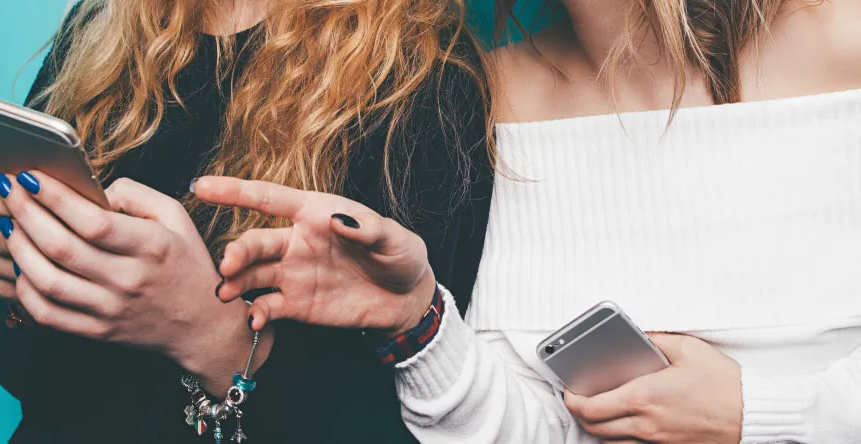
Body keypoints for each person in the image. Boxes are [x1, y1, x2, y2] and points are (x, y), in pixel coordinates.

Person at [194, 0, 861, 442]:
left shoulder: (845, 41)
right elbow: (525, 430)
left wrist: (758, 415)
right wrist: (419, 322)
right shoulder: (477, 98)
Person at [0, 0, 494, 441]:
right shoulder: (103, 24)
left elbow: (403, 425)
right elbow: (30, 378)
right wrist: (27, 284)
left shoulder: (426, 76)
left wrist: (212, 337)